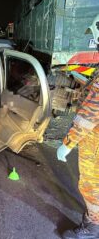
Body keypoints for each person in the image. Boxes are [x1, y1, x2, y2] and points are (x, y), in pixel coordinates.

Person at [57, 69, 99, 238]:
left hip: (94, 143)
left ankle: (94, 228)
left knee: (91, 184)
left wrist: (68, 143)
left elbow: (89, 115)